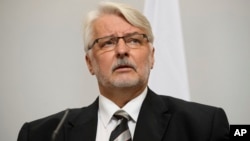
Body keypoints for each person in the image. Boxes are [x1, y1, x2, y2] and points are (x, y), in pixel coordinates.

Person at [17, 2, 229, 141]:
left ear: (152, 56)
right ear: (89, 62)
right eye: (107, 43)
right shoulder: (42, 134)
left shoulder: (203, 127)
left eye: (134, 40)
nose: (121, 50)